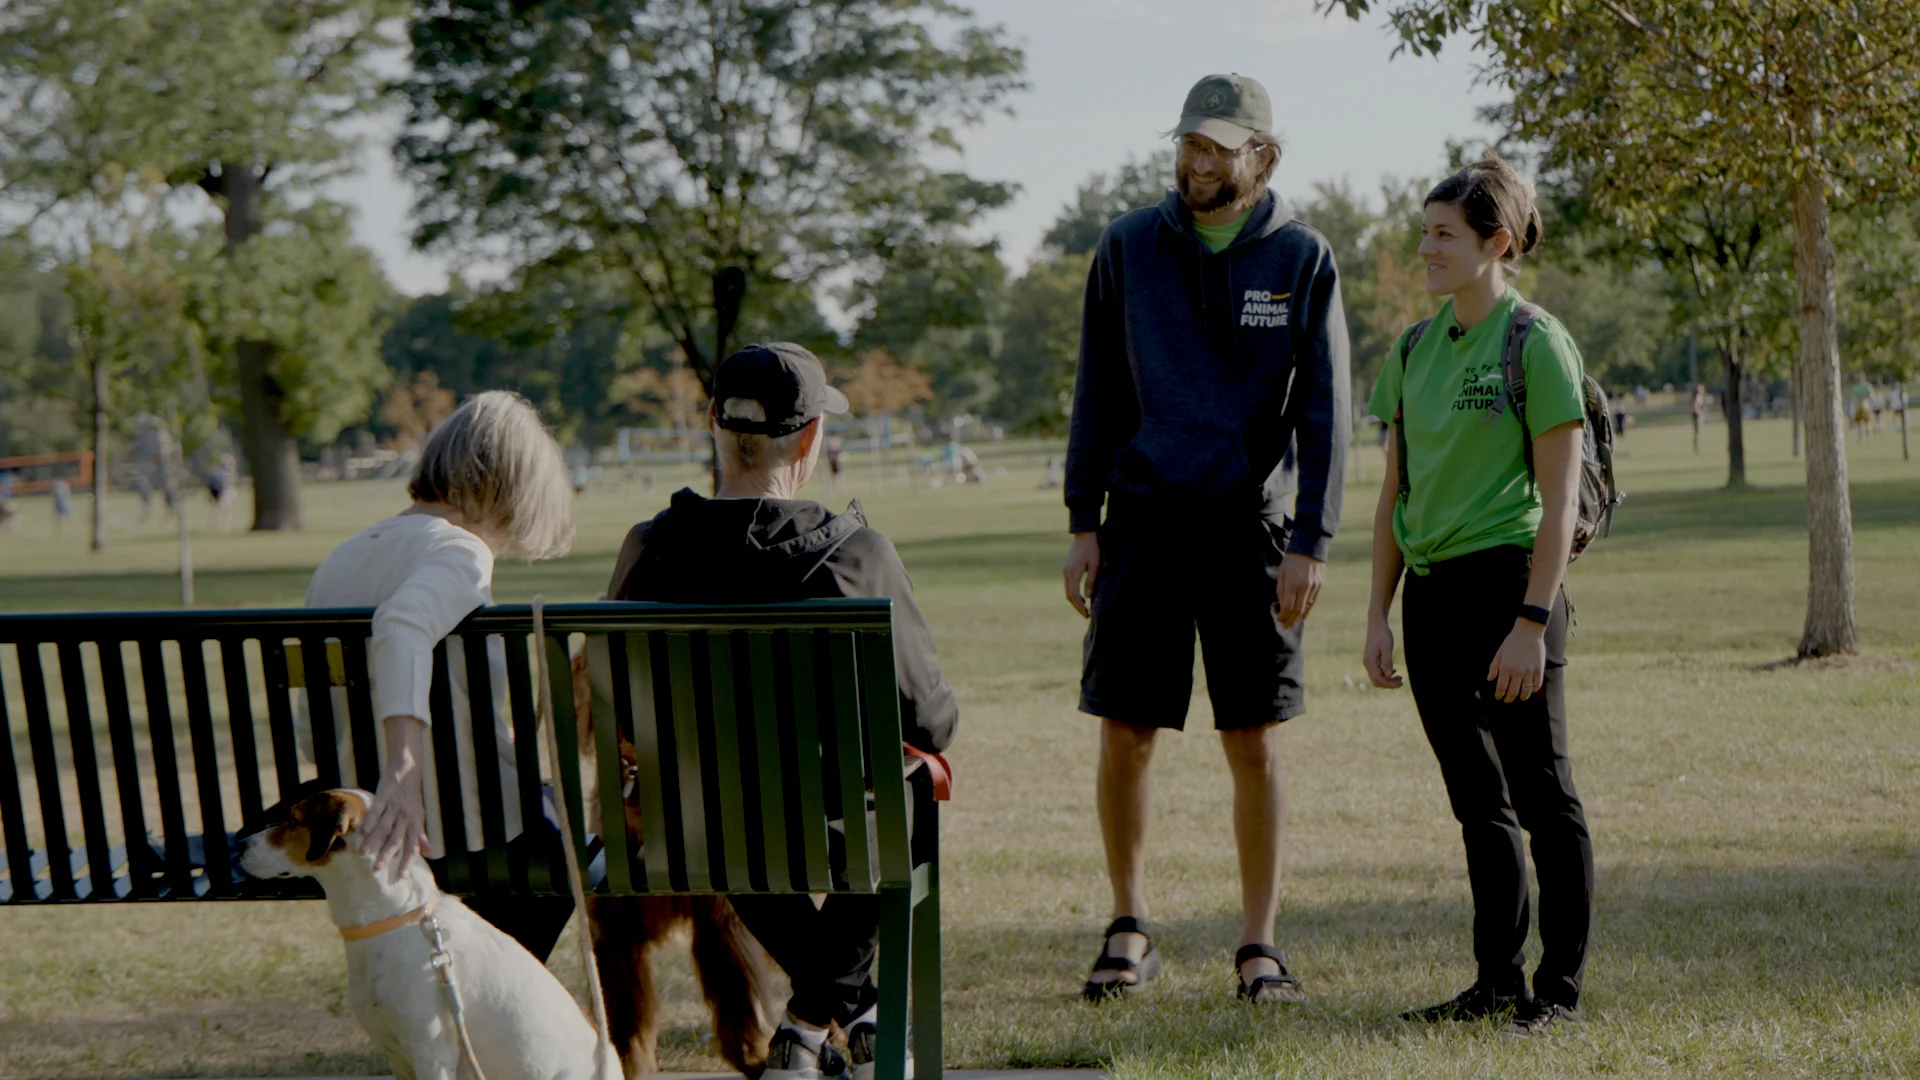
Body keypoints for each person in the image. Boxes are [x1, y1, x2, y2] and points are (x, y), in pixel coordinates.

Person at [1062, 73, 1350, 1005]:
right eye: (1187, 142)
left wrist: (1311, 538)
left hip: (1250, 532)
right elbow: (1095, 392)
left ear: (1261, 155)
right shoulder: (1126, 248)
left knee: (1252, 737)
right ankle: (1129, 924)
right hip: (1141, 524)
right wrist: (1082, 523)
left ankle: (1259, 945)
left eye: (1216, 147)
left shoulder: (1301, 256)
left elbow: (1326, 411)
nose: (1194, 161)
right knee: (1127, 731)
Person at [603, 342, 958, 1080]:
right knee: (914, 792)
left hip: (692, 829)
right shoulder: (858, 557)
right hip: (830, 824)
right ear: (809, 438)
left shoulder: (648, 550)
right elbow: (930, 724)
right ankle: (831, 1017)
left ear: (712, 425)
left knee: (728, 818)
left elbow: (618, 714)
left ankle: (822, 1017)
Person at [1361, 155, 1594, 1038]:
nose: (1426, 247)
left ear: (1496, 243)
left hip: (1513, 589)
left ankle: (1558, 994)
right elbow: (1393, 494)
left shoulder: (1535, 340)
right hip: (1431, 599)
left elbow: (1561, 497)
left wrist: (1532, 621)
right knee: (1476, 800)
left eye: (1443, 234)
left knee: (1542, 794)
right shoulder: (1414, 348)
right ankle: (1495, 983)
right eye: (1423, 231)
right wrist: (1377, 614)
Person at [301, 390, 579, 959]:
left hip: (358, 810)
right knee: (559, 857)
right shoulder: (460, 551)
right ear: (504, 490)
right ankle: (477, 1011)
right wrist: (401, 775)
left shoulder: (344, 555)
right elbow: (401, 624)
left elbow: (315, 715)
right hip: (451, 825)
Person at [1690, 383, 1708, 454]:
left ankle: (1696, 447)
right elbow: (1695, 407)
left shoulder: (1698, 396)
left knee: (1697, 432)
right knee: (1697, 432)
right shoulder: (1698, 397)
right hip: (1696, 415)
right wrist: (1701, 414)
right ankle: (1696, 447)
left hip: (1696, 415)